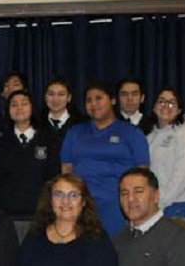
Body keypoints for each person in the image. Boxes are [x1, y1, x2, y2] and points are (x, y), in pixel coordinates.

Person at [61, 80, 150, 236]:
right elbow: (66, 170)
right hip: (82, 205)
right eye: (89, 100)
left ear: (113, 100)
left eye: (99, 98)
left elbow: (143, 174)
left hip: (117, 206)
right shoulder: (75, 132)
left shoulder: (132, 133)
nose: (93, 104)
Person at [0, 89, 62, 241]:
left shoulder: (48, 141)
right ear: (8, 111)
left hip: (40, 219)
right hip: (8, 220)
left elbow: (53, 180)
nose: (19, 108)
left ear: (32, 107)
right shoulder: (0, 144)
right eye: (14, 105)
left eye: (24, 103)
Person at [146, 87, 185, 227]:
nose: (165, 106)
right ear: (154, 106)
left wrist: (161, 202)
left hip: (180, 203)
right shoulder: (149, 136)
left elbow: (184, 174)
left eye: (171, 103)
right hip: (155, 204)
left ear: (179, 110)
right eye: (161, 101)